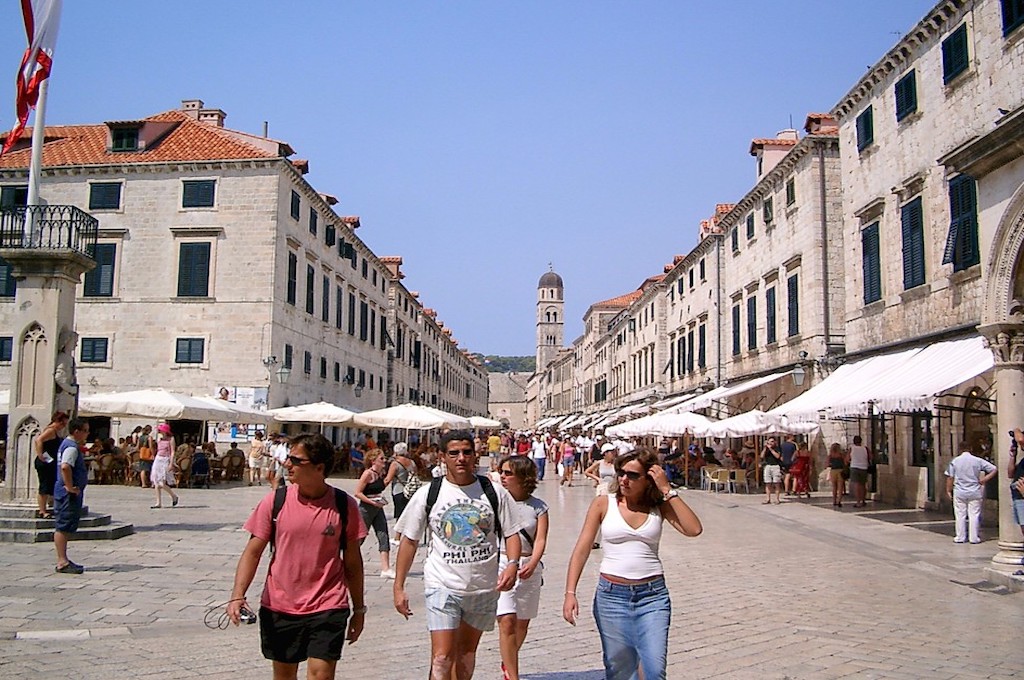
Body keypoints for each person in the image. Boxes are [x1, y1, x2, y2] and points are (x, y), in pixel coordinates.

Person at [228, 433, 367, 680]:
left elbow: (353, 563)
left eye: (295, 459)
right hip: (280, 604)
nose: (287, 464)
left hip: (328, 604)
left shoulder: (344, 506)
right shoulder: (275, 501)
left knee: (321, 676)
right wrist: (237, 595)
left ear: (319, 467)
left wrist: (359, 609)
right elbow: (253, 551)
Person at [392, 430, 524, 680]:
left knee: (466, 655)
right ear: (443, 457)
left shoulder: (494, 492)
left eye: (467, 452)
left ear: (476, 455)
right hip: (442, 584)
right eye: (454, 453)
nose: (461, 458)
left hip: (483, 586)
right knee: (442, 658)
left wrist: (512, 564)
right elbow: (409, 541)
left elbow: (512, 532)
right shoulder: (429, 494)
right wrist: (399, 586)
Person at [563, 448, 703, 680]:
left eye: (632, 475)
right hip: (611, 596)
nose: (623, 479)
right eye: (621, 473)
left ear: (649, 478)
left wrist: (667, 489)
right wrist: (570, 592)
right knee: (620, 670)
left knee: (654, 670)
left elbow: (694, 529)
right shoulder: (603, 503)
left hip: (653, 596)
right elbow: (582, 549)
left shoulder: (659, 506)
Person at [495, 456, 548, 680]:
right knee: (506, 620)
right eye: (502, 472)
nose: (503, 477)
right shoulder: (496, 502)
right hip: (502, 563)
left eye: (508, 473)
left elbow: (540, 540)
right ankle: (512, 676)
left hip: (528, 566)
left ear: (523, 477)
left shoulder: (539, 507)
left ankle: (508, 661)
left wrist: (534, 563)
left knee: (522, 623)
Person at [53, 418, 91, 574]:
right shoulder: (72, 447)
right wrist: (70, 487)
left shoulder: (68, 445)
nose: (87, 434)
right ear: (77, 431)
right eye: (86, 431)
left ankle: (64, 559)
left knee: (65, 525)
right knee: (63, 525)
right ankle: (62, 561)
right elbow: (65, 467)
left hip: (64, 492)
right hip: (67, 494)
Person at [945, 441, 997, 544]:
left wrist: (948, 490)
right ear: (971, 449)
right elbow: (994, 469)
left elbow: (950, 477)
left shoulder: (955, 461)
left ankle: (960, 537)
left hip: (960, 491)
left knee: (960, 514)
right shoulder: (977, 460)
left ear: (960, 449)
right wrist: (984, 479)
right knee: (974, 515)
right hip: (975, 491)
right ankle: (974, 538)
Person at [354, 448, 394, 579]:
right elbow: (358, 492)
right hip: (366, 508)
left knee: (383, 535)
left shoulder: (380, 473)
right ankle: (345, 562)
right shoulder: (367, 474)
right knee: (360, 538)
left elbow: (380, 487)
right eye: (381, 459)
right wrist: (372, 502)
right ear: (373, 461)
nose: (384, 461)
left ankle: (386, 568)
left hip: (378, 507)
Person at [33, 410, 68, 519]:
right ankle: (42, 511)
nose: (63, 426)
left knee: (50, 485)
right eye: (62, 423)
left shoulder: (54, 431)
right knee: (44, 486)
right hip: (45, 463)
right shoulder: (51, 431)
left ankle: (50, 507)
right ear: (57, 421)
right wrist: (40, 455)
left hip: (50, 462)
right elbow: (38, 440)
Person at [383, 441, 419, 519]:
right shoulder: (412, 462)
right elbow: (415, 475)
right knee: (408, 515)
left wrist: (380, 488)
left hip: (398, 490)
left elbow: (388, 479)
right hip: (410, 491)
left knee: (400, 516)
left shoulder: (395, 463)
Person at [150, 423, 180, 509]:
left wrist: (171, 463)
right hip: (158, 459)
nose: (159, 431)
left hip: (165, 459)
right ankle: (158, 502)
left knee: (162, 483)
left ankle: (174, 496)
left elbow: (173, 451)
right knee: (156, 481)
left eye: (161, 430)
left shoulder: (171, 439)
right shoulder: (159, 438)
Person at [848, 435, 872, 508]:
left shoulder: (851, 449)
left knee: (857, 485)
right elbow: (871, 457)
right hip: (864, 467)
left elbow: (847, 458)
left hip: (854, 467)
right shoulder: (865, 448)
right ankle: (863, 500)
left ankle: (858, 501)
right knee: (863, 485)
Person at [1010, 429, 1024, 539]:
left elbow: (1020, 439)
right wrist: (1012, 456)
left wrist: (1016, 431)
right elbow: (1010, 473)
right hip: (1018, 497)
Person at [761, 437, 783, 504]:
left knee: (776, 483)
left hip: (775, 466)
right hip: (768, 466)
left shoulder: (777, 448)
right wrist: (765, 448)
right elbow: (762, 456)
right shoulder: (766, 449)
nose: (771, 443)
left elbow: (777, 456)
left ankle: (777, 499)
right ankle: (768, 499)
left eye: (772, 441)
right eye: (770, 441)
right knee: (767, 483)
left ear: (775, 442)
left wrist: (770, 449)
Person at [828, 442, 846, 507]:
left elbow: (827, 464)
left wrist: (831, 463)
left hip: (833, 471)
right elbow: (845, 462)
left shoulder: (830, 455)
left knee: (834, 487)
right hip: (840, 471)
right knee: (840, 487)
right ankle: (839, 501)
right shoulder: (841, 455)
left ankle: (834, 501)